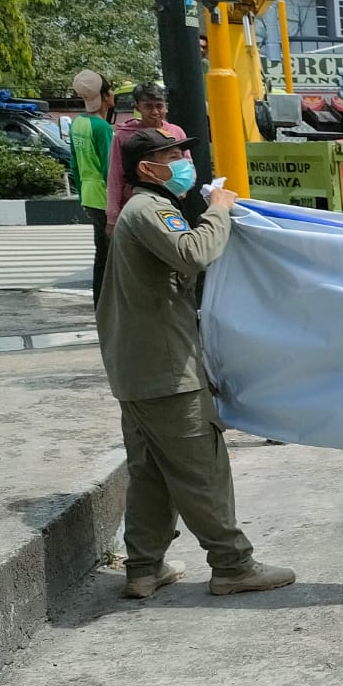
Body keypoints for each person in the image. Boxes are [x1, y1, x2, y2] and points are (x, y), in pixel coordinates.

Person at [97, 129, 295, 599]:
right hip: (165, 373)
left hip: (137, 367)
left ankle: (144, 569)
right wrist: (219, 210)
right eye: (173, 156)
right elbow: (194, 253)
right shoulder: (151, 209)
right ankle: (233, 565)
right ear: (148, 168)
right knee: (201, 469)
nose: (184, 162)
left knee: (151, 472)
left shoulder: (137, 212)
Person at [106, 82, 189, 234]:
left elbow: (188, 165)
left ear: (166, 106)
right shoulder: (123, 136)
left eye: (159, 106)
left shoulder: (176, 133)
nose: (155, 112)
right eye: (148, 106)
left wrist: (182, 189)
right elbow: (115, 176)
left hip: (170, 203)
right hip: (135, 203)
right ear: (137, 107)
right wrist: (112, 217)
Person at [69, 70, 114, 305]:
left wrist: (81, 196)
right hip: (105, 198)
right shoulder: (102, 128)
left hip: (88, 195)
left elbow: (74, 165)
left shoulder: (77, 124)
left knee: (102, 254)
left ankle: (101, 302)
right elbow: (110, 169)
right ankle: (104, 305)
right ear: (105, 96)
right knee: (109, 256)